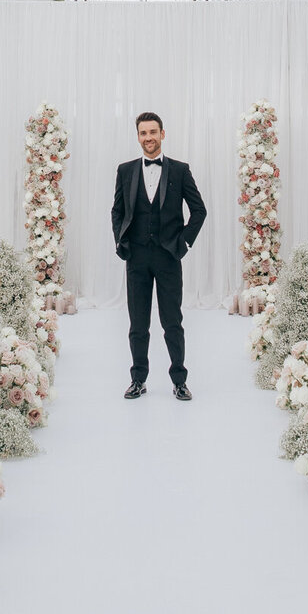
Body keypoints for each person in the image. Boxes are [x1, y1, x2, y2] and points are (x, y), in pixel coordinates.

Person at [111, 112, 207, 401]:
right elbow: (117, 211)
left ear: (162, 134)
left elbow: (198, 210)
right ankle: (138, 379)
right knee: (138, 324)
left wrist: (184, 244)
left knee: (172, 323)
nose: (148, 138)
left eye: (153, 132)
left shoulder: (179, 170)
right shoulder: (125, 170)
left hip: (168, 257)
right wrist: (120, 243)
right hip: (136, 258)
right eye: (143, 133)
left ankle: (179, 380)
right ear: (138, 136)